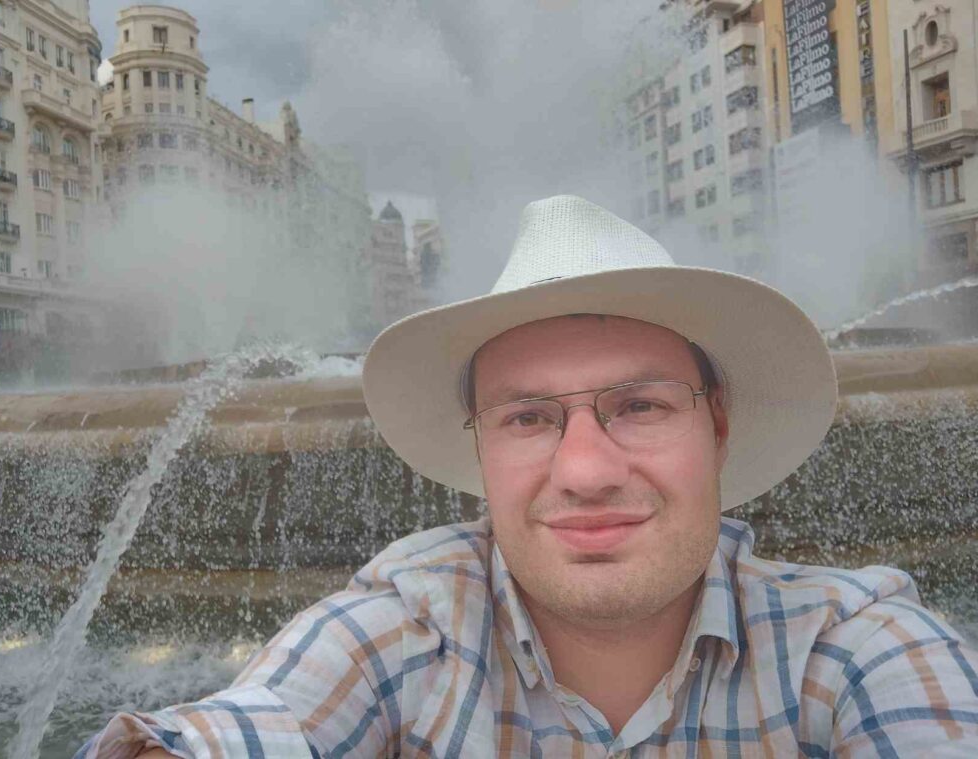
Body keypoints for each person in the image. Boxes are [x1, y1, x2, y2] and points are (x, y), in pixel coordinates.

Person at [80, 195, 978, 758]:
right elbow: (254, 724)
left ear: (717, 425)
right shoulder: (406, 627)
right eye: (527, 417)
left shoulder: (855, 644)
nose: (584, 470)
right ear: (480, 451)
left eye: (640, 404)